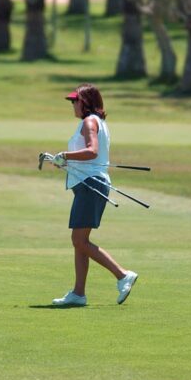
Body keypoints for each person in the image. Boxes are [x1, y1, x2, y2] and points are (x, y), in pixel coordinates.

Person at [48, 83, 138, 307]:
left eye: (75, 101)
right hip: (88, 183)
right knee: (81, 241)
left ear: (85, 102)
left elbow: (92, 151)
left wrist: (65, 155)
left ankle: (122, 274)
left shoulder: (89, 122)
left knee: (78, 240)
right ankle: (78, 294)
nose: (73, 106)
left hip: (91, 185)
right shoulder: (97, 122)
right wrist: (65, 162)